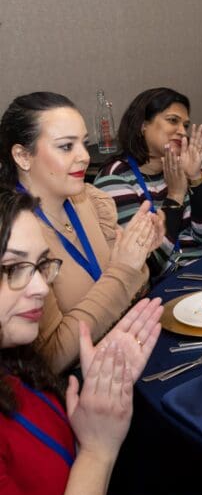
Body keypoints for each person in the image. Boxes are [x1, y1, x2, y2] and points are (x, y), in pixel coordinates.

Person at [0, 189, 202, 495]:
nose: (40, 288)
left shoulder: (17, 364)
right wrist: (97, 450)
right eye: (11, 270)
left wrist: (95, 407)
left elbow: (48, 470)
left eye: (41, 265)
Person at [0, 93, 164, 373]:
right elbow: (50, 358)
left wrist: (140, 253)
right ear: (23, 156)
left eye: (83, 143)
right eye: (66, 147)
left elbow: (133, 291)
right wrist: (125, 269)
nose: (85, 157)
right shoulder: (18, 237)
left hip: (124, 349)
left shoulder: (89, 200)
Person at [95, 88, 202, 278]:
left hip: (199, 273)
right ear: (143, 125)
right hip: (156, 288)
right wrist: (175, 196)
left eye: (185, 125)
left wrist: (196, 178)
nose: (182, 132)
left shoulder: (187, 163)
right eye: (173, 120)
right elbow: (146, 264)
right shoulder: (115, 178)